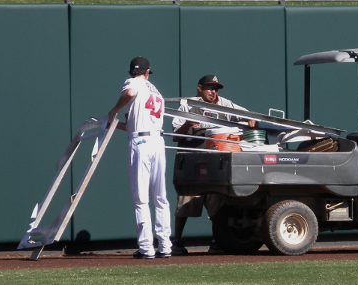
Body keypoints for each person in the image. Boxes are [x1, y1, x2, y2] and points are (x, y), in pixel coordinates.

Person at [171, 75, 256, 255]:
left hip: (214, 163)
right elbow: (176, 136)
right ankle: (176, 241)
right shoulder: (188, 105)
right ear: (199, 88)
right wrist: (187, 122)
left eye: (216, 88)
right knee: (185, 204)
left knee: (217, 205)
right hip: (191, 161)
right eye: (209, 87)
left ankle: (217, 241)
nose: (213, 92)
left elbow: (248, 116)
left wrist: (249, 119)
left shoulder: (225, 104)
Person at [108, 56, 172, 259]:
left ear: (131, 73)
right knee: (160, 197)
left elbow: (130, 92)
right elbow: (131, 125)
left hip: (141, 143)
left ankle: (146, 248)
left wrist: (114, 111)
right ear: (147, 72)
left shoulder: (133, 83)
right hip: (157, 142)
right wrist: (114, 125)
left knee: (141, 198)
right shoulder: (156, 91)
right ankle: (165, 246)